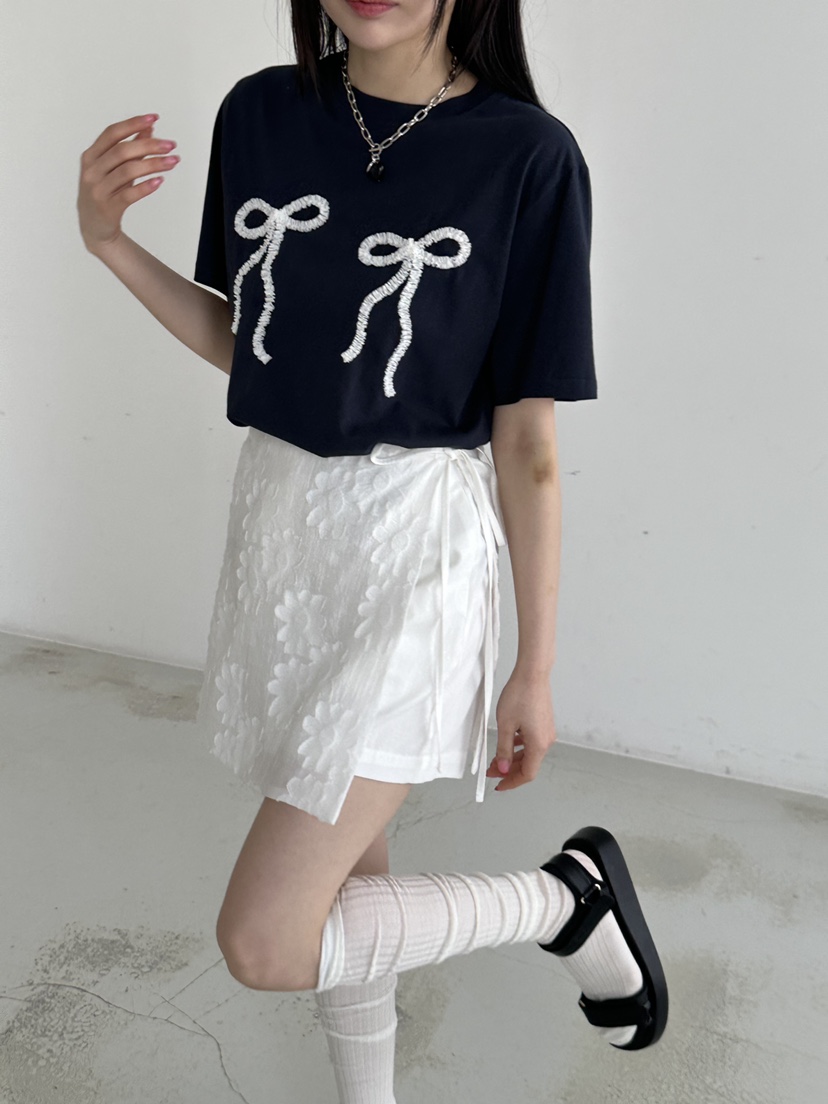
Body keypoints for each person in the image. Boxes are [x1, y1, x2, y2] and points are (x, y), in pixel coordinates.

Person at [77, 1, 668, 1100]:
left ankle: (566, 901)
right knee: (349, 880)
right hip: (281, 536)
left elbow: (527, 441)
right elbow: (254, 346)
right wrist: (110, 245)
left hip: (414, 547)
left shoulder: (528, 157)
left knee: (267, 939)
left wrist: (533, 665)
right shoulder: (262, 114)